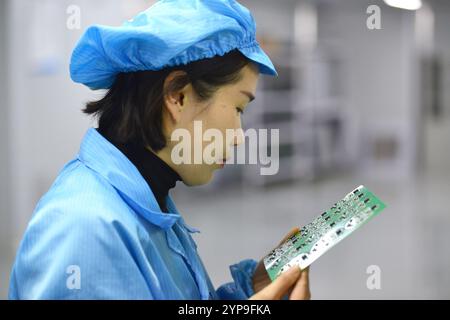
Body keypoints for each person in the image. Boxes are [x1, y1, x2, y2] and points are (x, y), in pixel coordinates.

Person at [9, 0, 310, 300]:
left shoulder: (149, 200)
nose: (239, 137)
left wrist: (251, 291)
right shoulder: (86, 229)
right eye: (238, 107)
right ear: (177, 96)